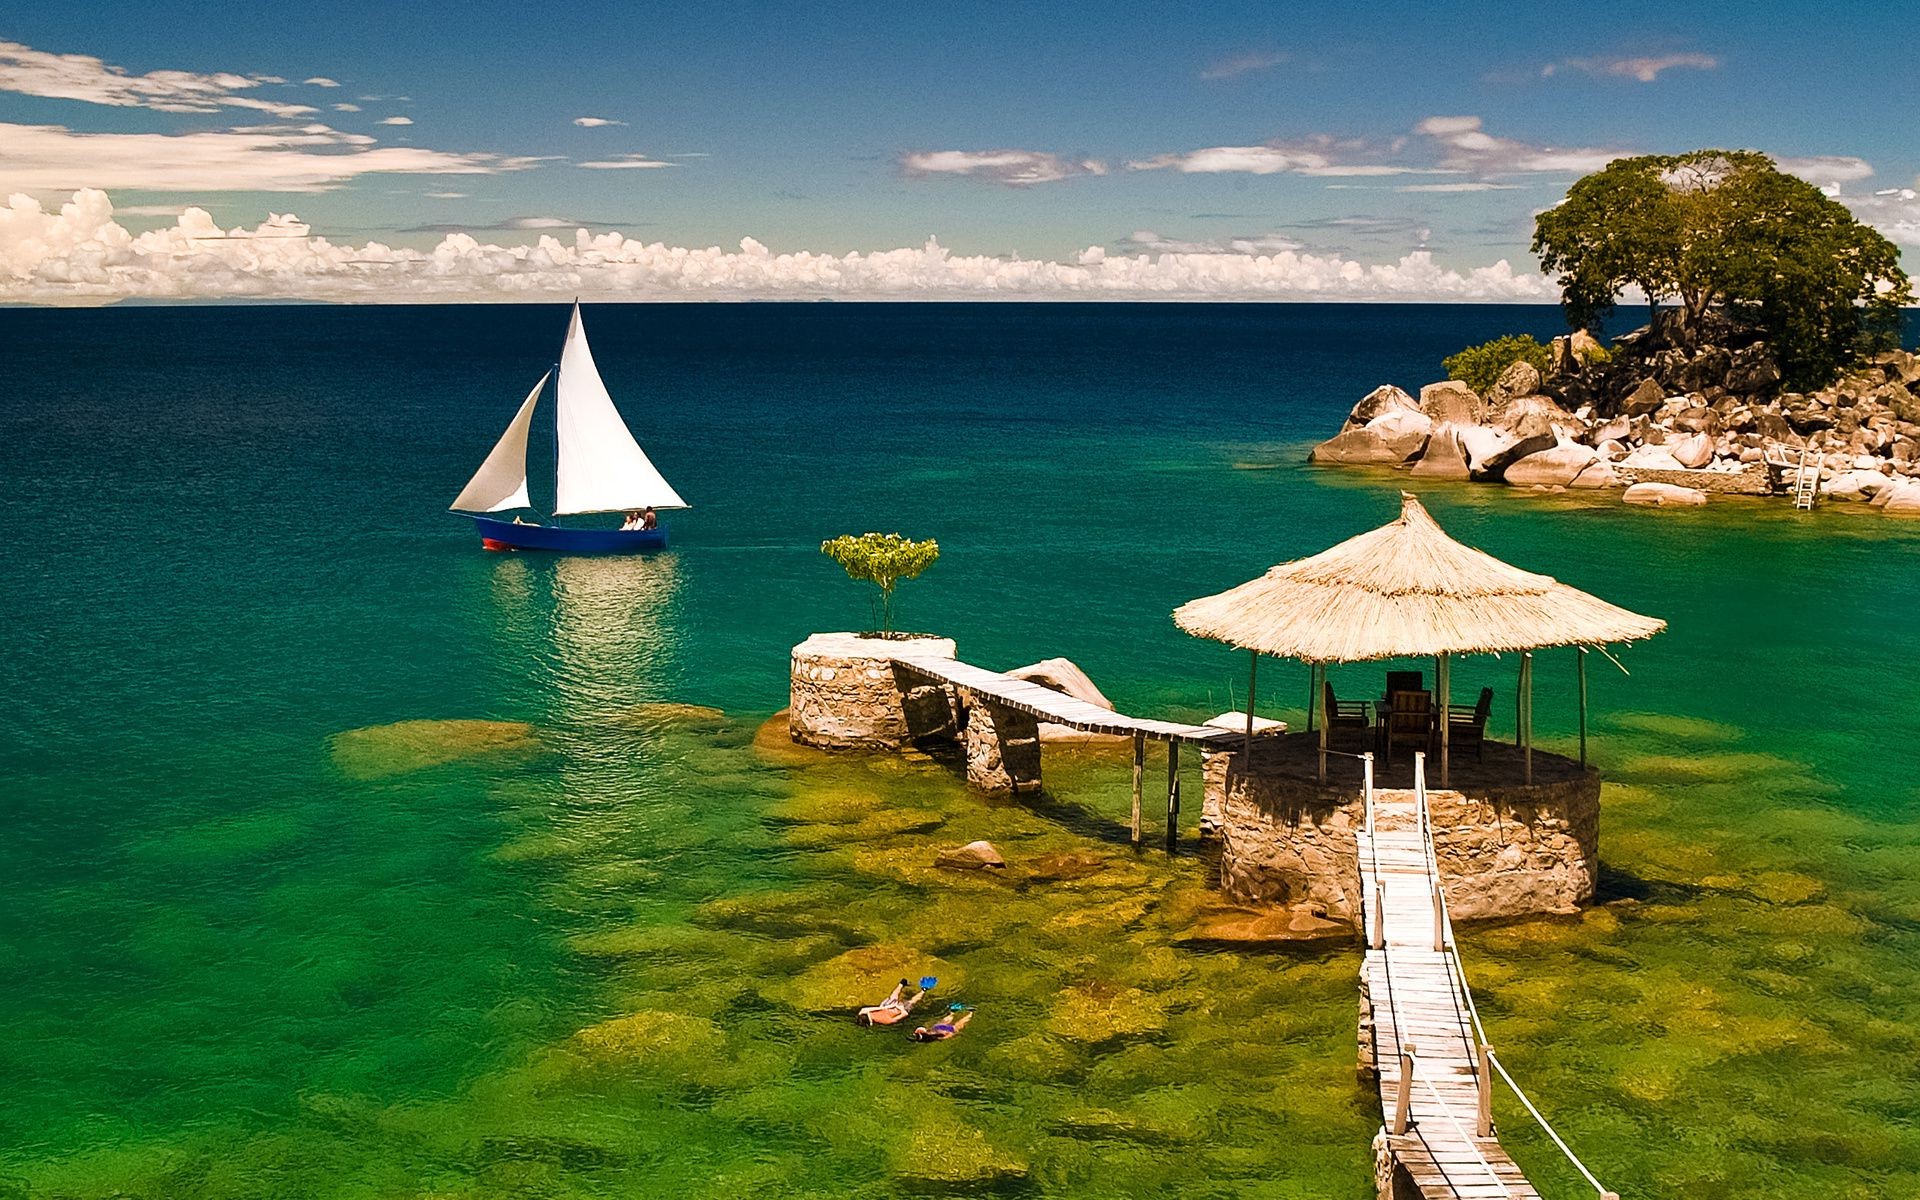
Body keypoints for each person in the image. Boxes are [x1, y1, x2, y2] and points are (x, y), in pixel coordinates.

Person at [856, 978, 927, 1027]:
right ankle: (902, 984)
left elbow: (905, 1014)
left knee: (911, 1001)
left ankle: (923, 989)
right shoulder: (865, 1012)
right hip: (891, 1007)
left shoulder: (885, 1021)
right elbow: (864, 1010)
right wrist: (888, 1007)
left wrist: (897, 1008)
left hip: (894, 1009)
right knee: (894, 997)